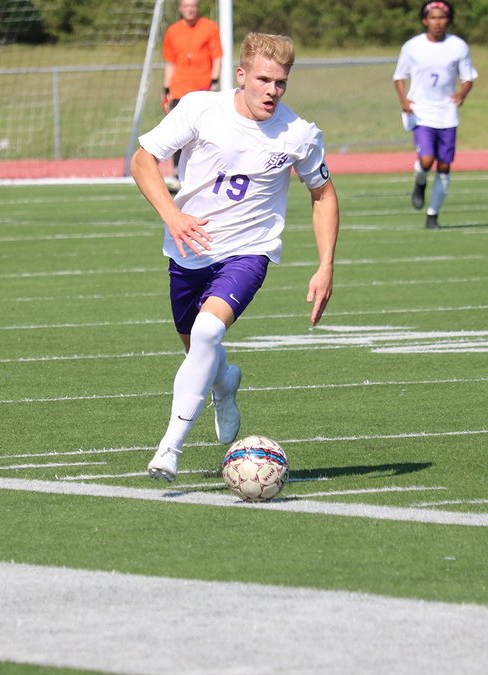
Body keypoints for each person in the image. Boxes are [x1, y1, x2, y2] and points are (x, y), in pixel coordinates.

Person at [130, 32, 339, 483]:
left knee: (207, 332)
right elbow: (142, 159)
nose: (272, 91)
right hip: (189, 249)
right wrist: (172, 215)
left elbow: (322, 193)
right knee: (198, 351)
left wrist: (326, 265)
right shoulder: (201, 109)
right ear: (241, 76)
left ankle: (169, 448)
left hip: (249, 251)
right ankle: (225, 383)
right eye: (263, 80)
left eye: (281, 83)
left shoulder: (299, 134)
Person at [393, 0, 477, 230]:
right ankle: (420, 182)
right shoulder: (412, 46)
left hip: (447, 113)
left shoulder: (458, 46)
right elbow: (399, 77)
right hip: (421, 111)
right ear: (424, 20)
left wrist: (463, 93)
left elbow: (468, 77)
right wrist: (404, 100)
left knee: (444, 167)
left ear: (448, 20)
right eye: (433, 17)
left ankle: (433, 215)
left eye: (442, 17)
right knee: (427, 160)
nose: (437, 22)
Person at [160, 0, 223, 192]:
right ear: (180, 8)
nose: (190, 9)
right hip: (179, 90)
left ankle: (203, 173)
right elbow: (170, 63)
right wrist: (166, 89)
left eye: (193, 6)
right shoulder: (173, 31)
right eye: (186, 6)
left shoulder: (209, 28)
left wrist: (213, 82)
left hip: (202, 89)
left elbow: (217, 57)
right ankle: (178, 173)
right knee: (178, 133)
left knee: (204, 133)